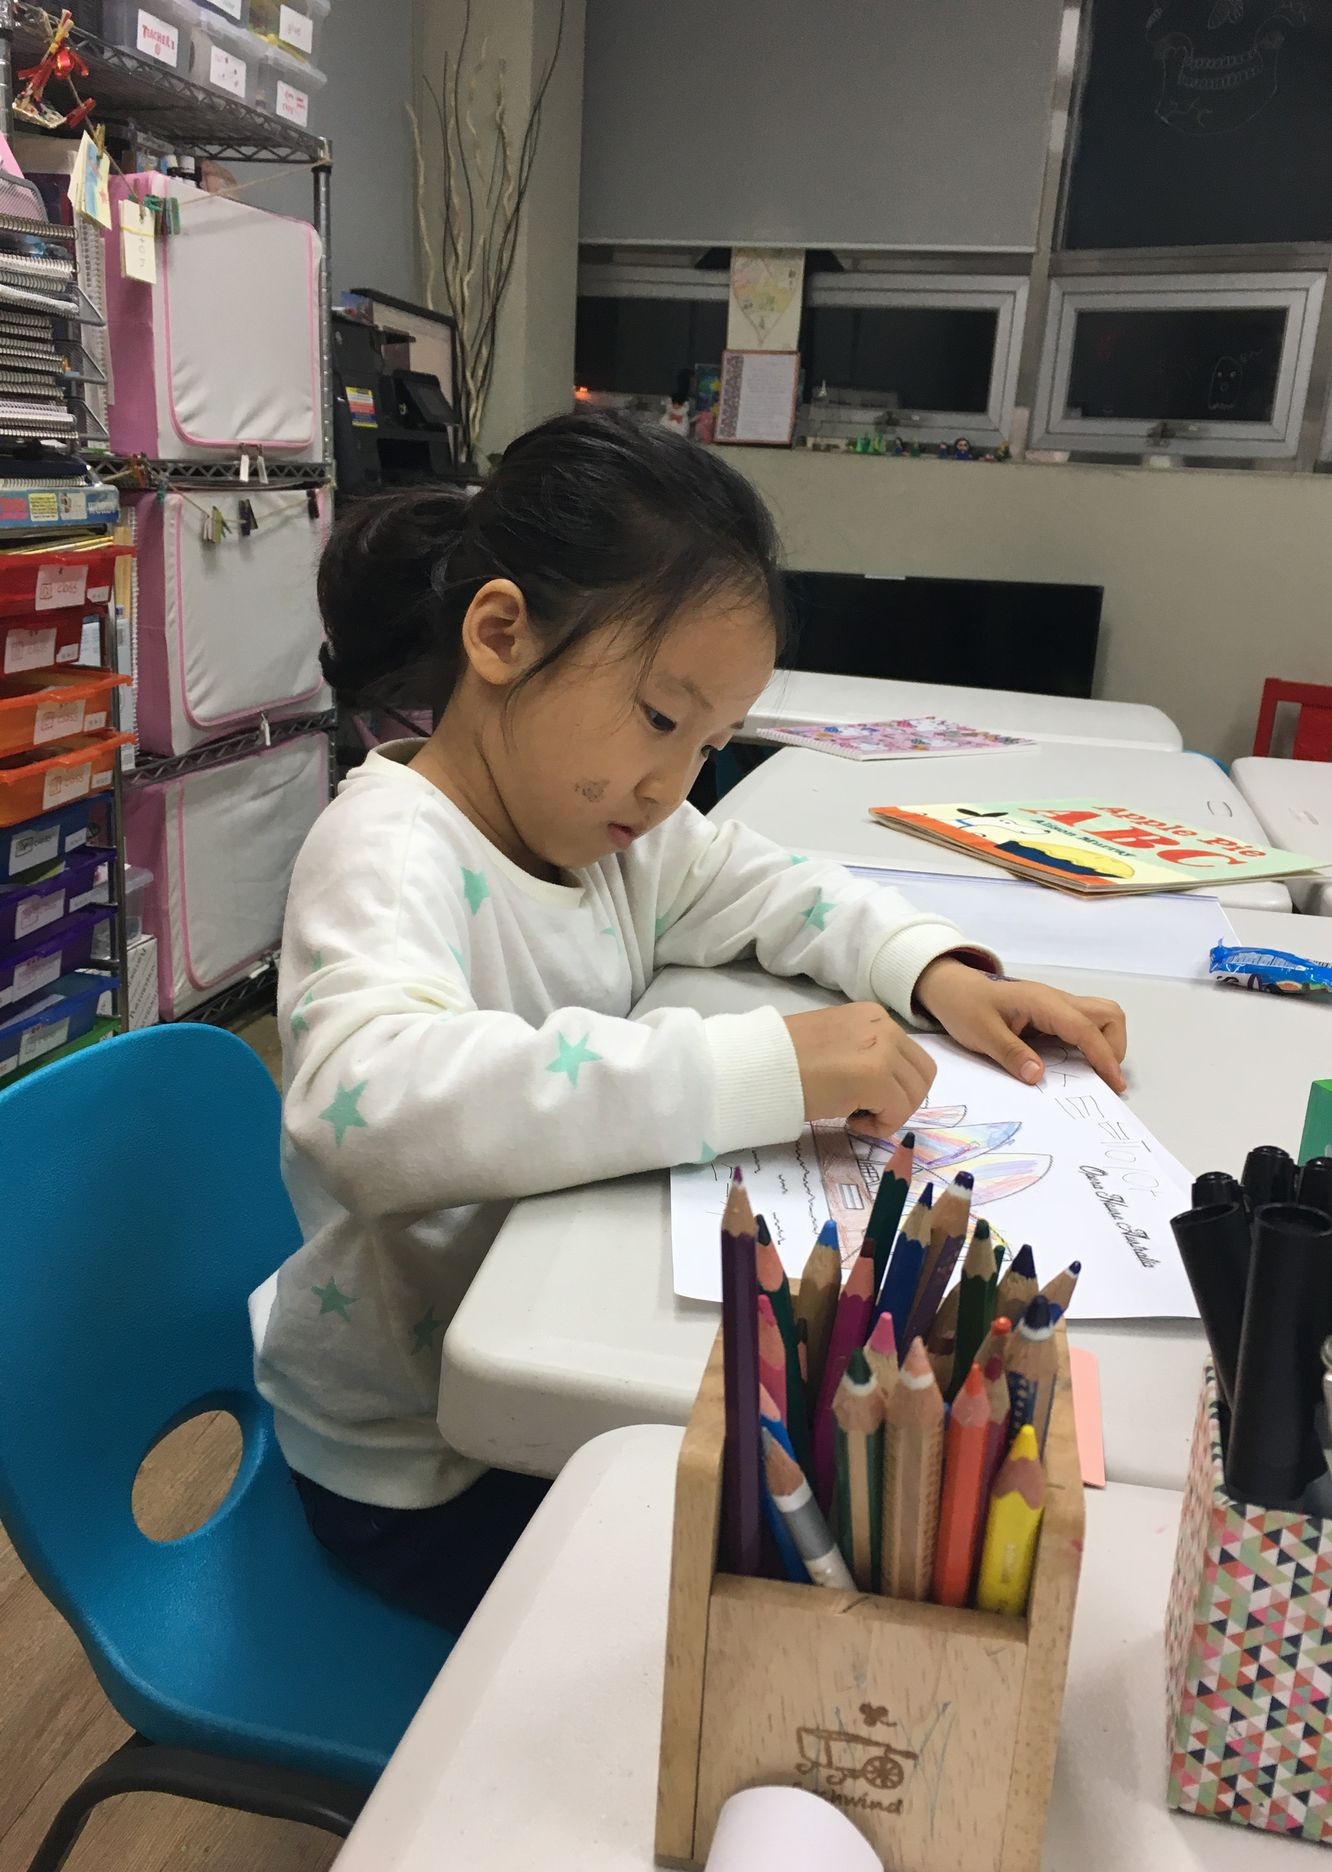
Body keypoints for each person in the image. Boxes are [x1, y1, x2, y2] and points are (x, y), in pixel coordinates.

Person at [256, 409, 1126, 1633]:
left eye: (710, 744)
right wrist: (756, 1070)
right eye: (661, 720)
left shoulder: (609, 824)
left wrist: (936, 974)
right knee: (783, 1589)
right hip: (418, 1457)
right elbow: (370, 1107)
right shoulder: (388, 853)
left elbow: (773, 888)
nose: (675, 784)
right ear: (501, 635)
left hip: (533, 1335)